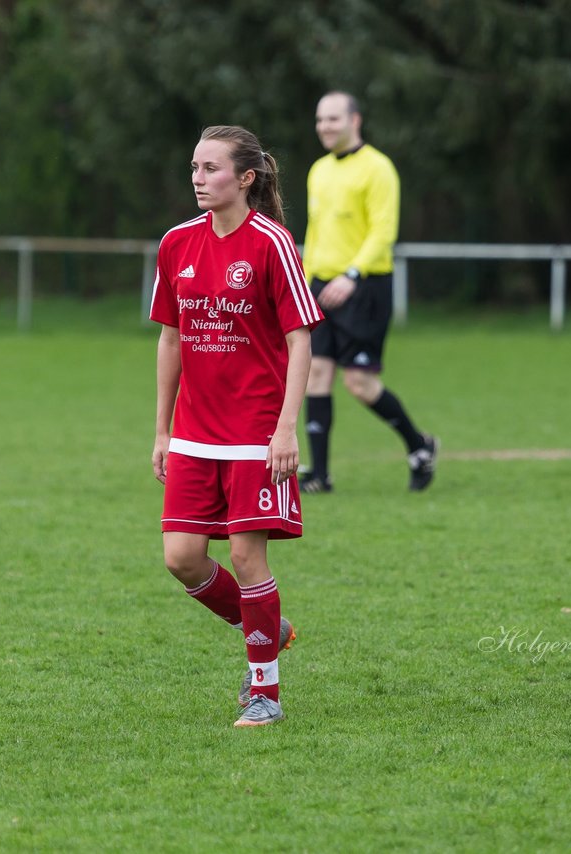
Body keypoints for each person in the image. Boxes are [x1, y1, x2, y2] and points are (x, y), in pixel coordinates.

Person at [150, 125, 322, 727]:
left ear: (246, 177)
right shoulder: (176, 244)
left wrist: (286, 429)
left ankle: (264, 694)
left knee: (248, 559)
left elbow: (300, 340)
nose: (198, 178)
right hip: (195, 430)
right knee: (182, 557)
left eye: (212, 168)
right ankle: (268, 627)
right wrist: (162, 430)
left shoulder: (272, 243)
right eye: (194, 167)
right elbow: (171, 340)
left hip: (255, 429)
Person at [300, 91, 437, 494]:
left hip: (364, 286)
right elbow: (317, 233)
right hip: (321, 285)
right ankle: (320, 475)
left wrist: (353, 274)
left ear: (355, 121)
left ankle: (419, 446)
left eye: (333, 119)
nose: (325, 127)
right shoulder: (318, 171)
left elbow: (383, 231)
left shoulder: (378, 169)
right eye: (320, 120)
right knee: (316, 374)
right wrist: (306, 283)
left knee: (359, 383)